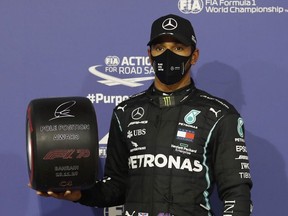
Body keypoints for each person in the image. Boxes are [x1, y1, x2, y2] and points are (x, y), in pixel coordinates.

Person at [37, 14, 253, 216]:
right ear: (149, 55)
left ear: (194, 55)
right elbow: (116, 186)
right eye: (160, 48)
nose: (168, 55)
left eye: (178, 47)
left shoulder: (219, 115)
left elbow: (237, 193)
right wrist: (80, 194)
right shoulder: (125, 112)